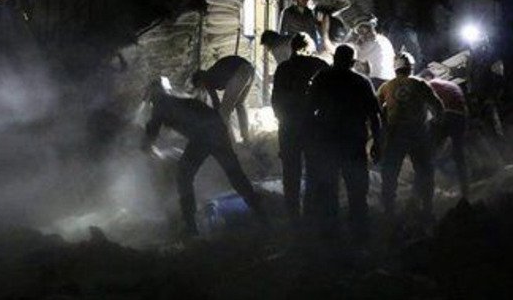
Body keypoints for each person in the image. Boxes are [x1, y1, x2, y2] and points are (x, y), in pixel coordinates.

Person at [142, 81, 264, 236]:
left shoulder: (162, 104)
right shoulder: (177, 101)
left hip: (203, 135)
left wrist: (144, 146)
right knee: (234, 173)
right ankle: (260, 213)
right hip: (217, 129)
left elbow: (152, 131)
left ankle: (191, 226)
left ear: (153, 96)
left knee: (184, 176)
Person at [306, 44, 382, 239]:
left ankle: (330, 234)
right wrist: (378, 142)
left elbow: (308, 110)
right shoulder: (361, 81)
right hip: (353, 142)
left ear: (334, 59)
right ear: (353, 62)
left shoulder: (322, 78)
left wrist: (311, 140)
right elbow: (374, 115)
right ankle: (359, 233)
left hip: (327, 142)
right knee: (357, 190)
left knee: (328, 189)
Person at [377, 52, 443, 221]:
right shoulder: (420, 84)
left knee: (390, 173)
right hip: (418, 133)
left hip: (395, 134)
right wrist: (435, 128)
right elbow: (438, 106)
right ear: (411, 67)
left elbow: (375, 110)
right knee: (425, 171)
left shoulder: (386, 87)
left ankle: (388, 212)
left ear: (395, 68)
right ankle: (427, 209)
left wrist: (380, 131)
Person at [271, 33, 329, 223]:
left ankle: (293, 215)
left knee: (290, 172)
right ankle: (310, 213)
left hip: (289, 125)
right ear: (308, 48)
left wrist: (282, 119)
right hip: (313, 126)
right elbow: (329, 97)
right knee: (313, 170)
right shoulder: (320, 65)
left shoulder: (283, 68)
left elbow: (275, 98)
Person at [424, 73, 470, 200]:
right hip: (460, 117)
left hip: (445, 115)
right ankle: (465, 190)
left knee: (428, 154)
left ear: (427, 78)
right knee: (459, 155)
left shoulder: (429, 84)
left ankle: (426, 191)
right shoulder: (453, 85)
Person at [192, 55, 255, 143]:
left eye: (200, 86)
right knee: (239, 104)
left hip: (240, 72)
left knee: (224, 113)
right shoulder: (212, 72)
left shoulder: (207, 79)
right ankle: (246, 138)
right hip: (250, 70)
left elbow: (216, 103)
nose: (202, 89)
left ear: (200, 80)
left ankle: (230, 143)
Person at [350, 17, 395, 88]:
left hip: (376, 81)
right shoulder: (384, 40)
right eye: (360, 32)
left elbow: (357, 62)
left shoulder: (367, 44)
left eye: (362, 32)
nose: (361, 35)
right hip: (389, 80)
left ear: (371, 29)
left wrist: (357, 46)